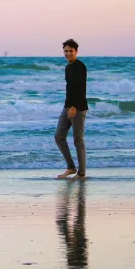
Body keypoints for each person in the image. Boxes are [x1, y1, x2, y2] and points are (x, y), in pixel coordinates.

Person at [55, 39, 89, 180]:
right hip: (68, 106)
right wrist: (68, 106)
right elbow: (70, 89)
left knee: (78, 140)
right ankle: (71, 167)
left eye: (71, 51)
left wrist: (74, 106)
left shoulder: (80, 67)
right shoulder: (68, 67)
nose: (68, 53)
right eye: (66, 51)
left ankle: (81, 173)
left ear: (76, 51)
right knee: (59, 136)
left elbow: (79, 89)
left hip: (78, 107)